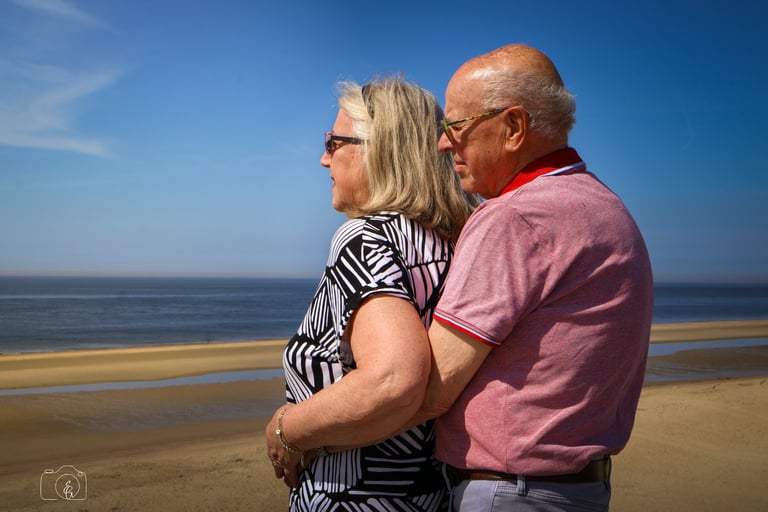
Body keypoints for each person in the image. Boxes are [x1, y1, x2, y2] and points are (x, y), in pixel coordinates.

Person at [414, 44, 655, 511]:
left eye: (455, 126)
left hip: (510, 491)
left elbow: (430, 390)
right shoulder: (608, 208)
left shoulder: (515, 217)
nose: (444, 144)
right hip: (581, 490)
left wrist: (298, 429)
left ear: (513, 127)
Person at [265, 76, 478, 511]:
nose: (324, 160)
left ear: (378, 149)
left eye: (333, 142)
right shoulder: (464, 241)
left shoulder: (364, 238)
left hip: (360, 498)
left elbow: (392, 379)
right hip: (433, 495)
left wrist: (285, 429)